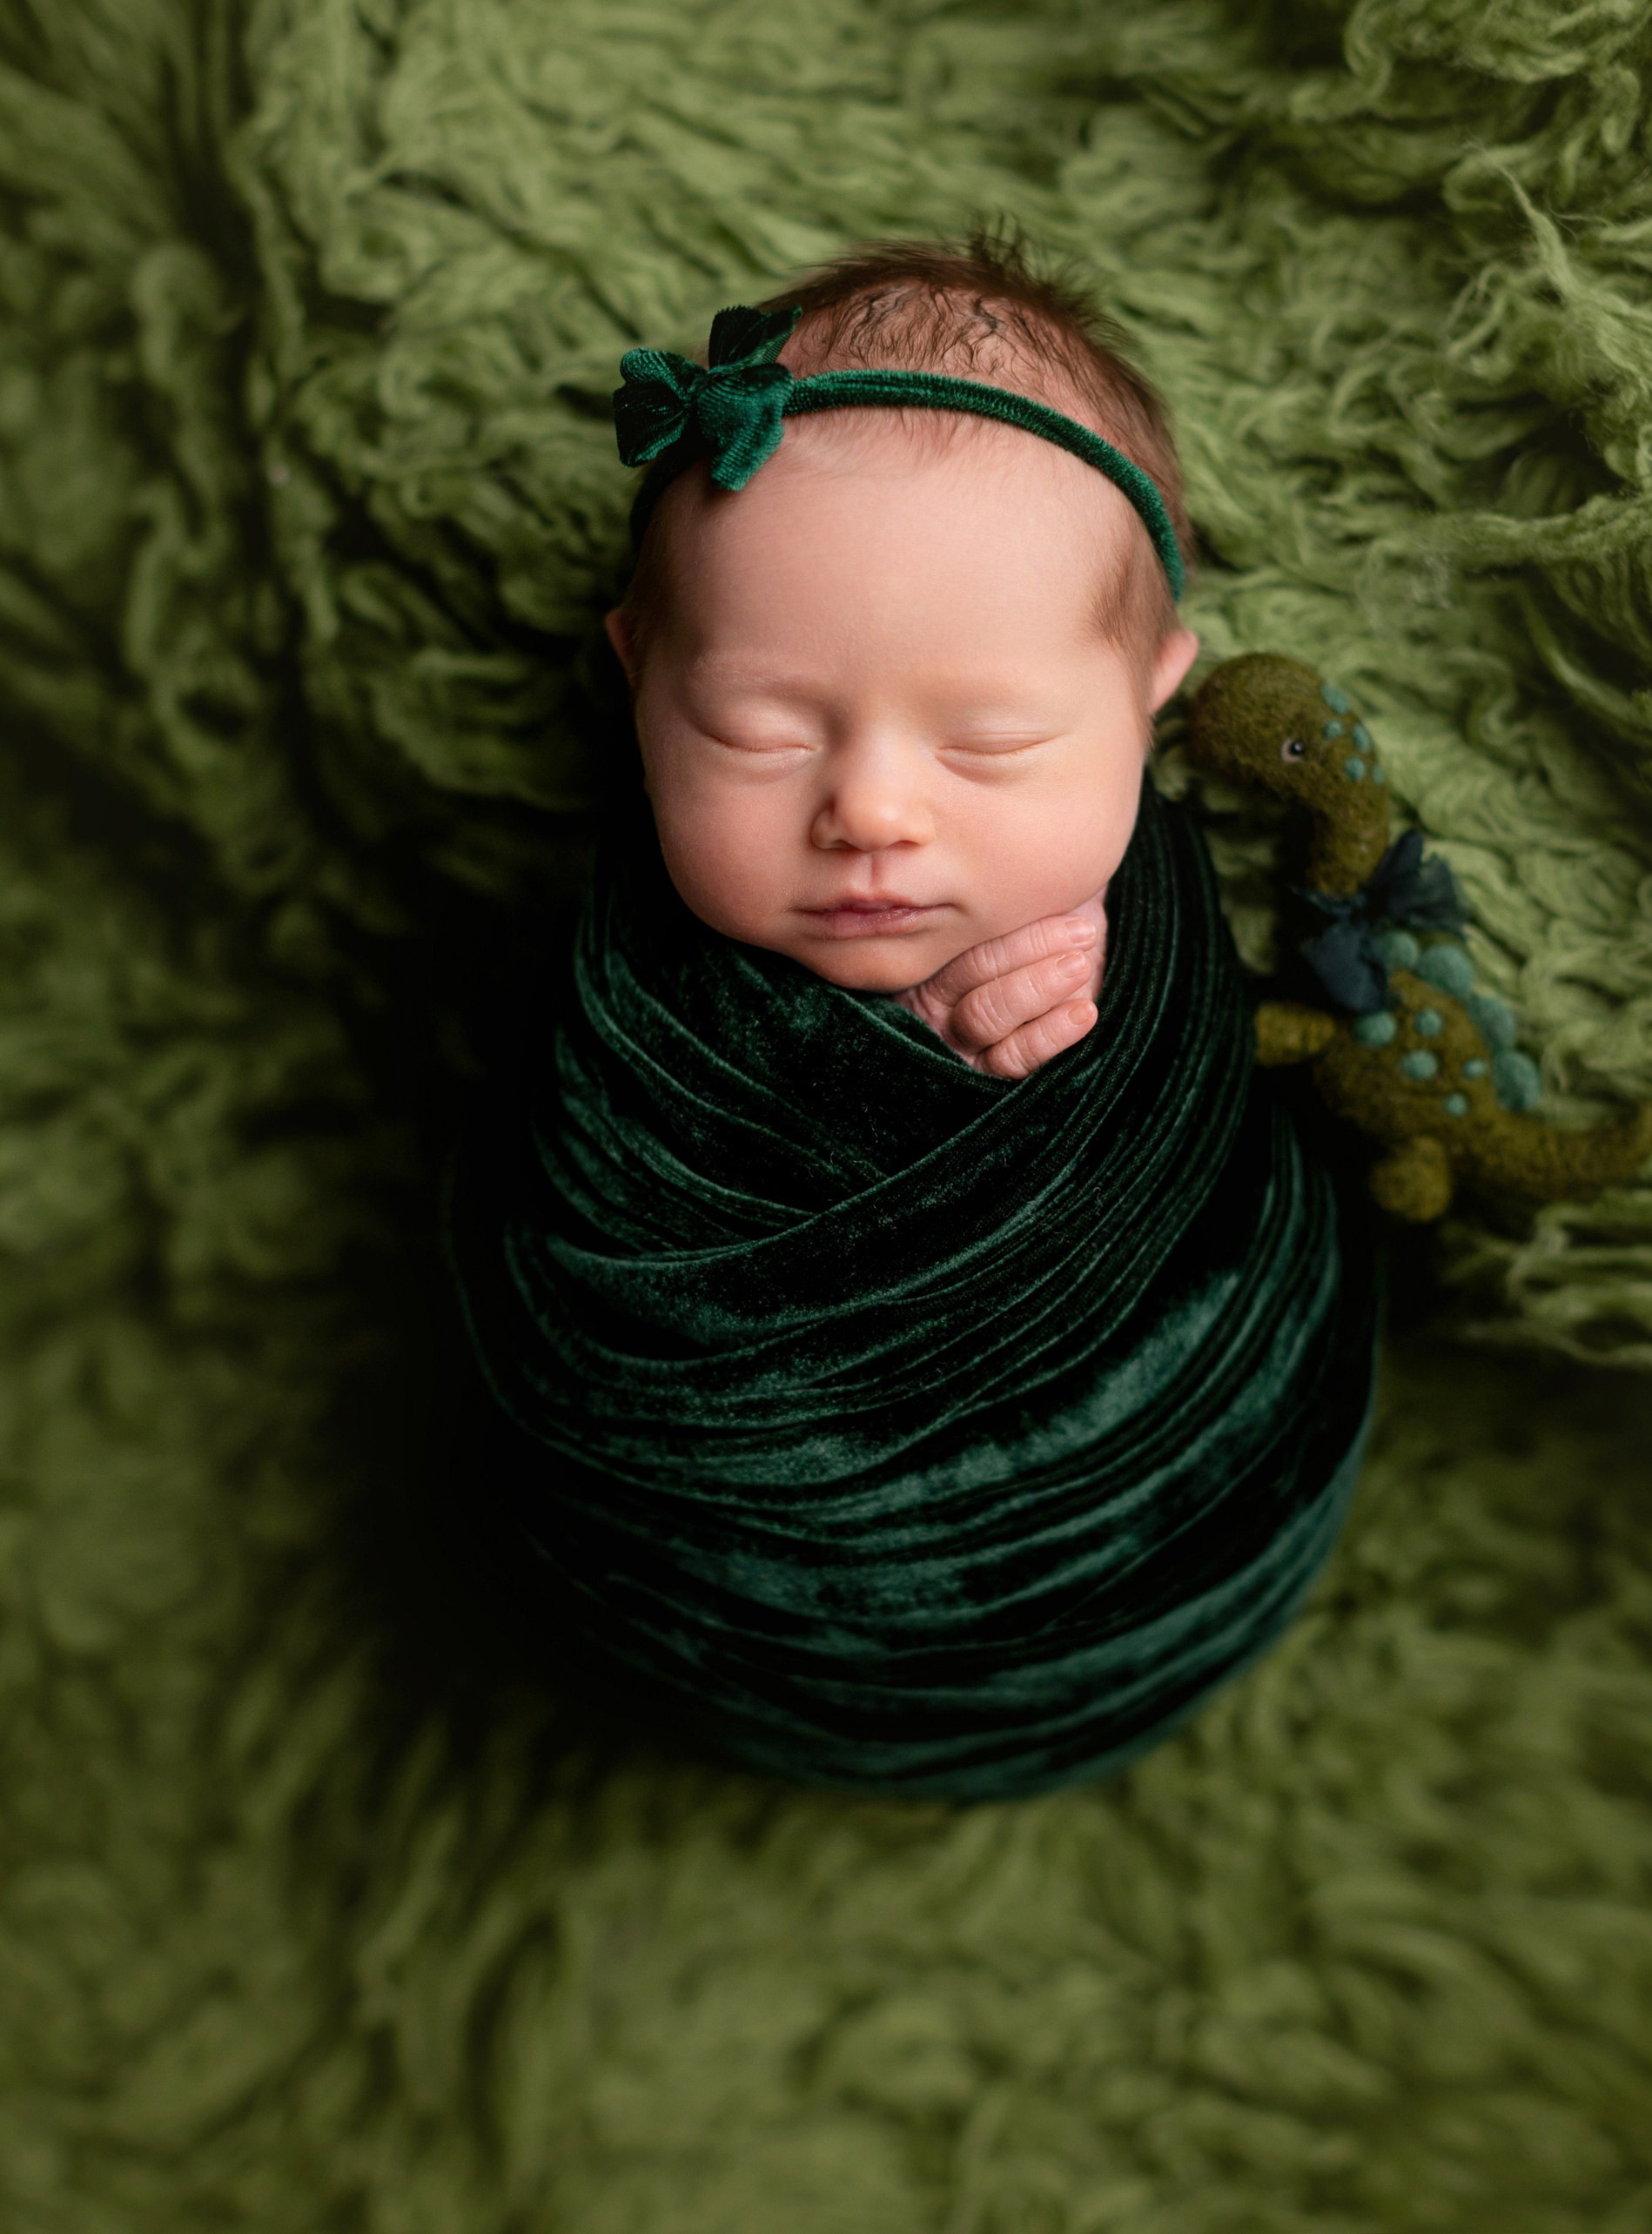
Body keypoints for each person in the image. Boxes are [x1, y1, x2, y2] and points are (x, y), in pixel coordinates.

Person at [444, 235, 1379, 1802]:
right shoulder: (635, 965)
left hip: (1167, 1534)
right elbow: (566, 1177)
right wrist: (863, 1072)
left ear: (1151, 693)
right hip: (698, 1587)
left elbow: (1206, 1160)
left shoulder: (1141, 923)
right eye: (757, 730)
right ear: (640, 676)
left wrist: (1106, 992)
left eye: (993, 742)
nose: (872, 810)